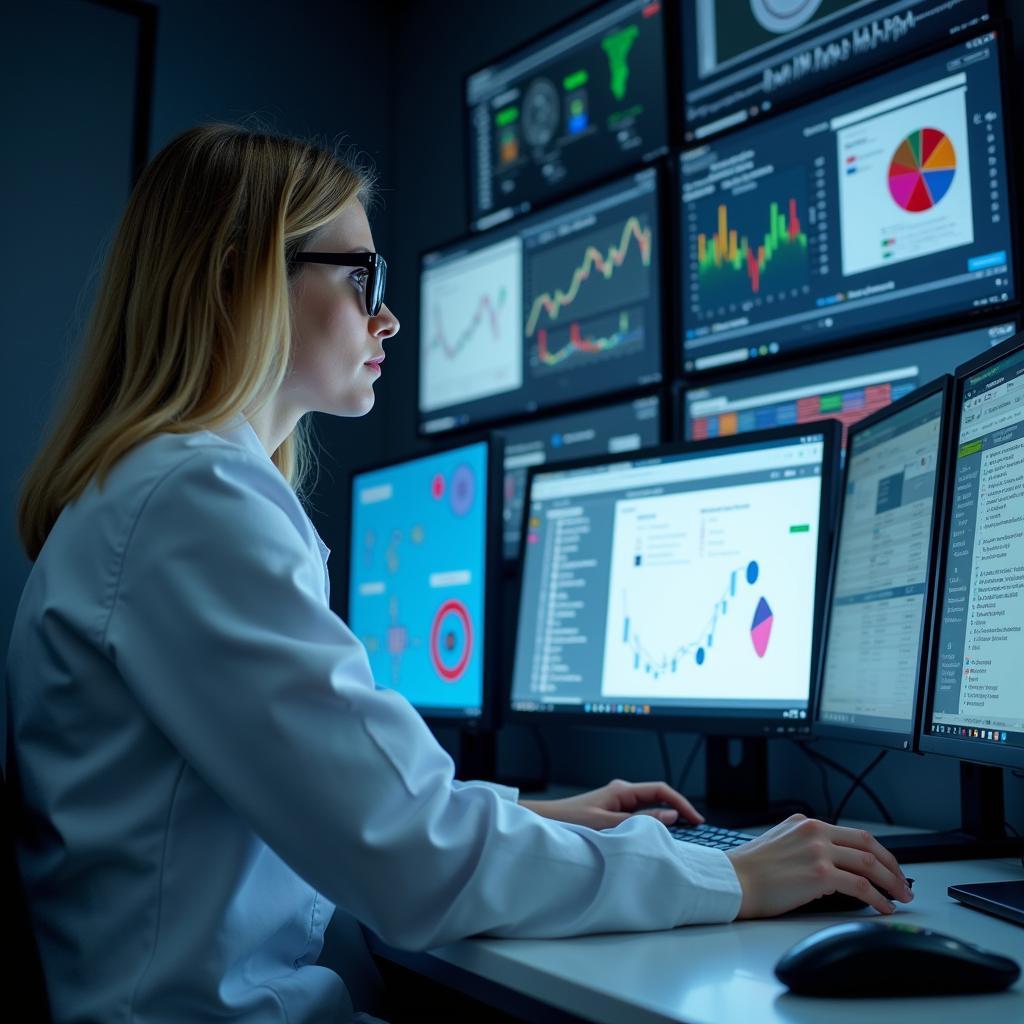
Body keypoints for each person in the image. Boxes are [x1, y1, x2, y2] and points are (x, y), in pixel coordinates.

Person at [5, 125, 912, 1024]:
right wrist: (733, 875)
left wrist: (532, 817)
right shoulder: (195, 502)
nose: (387, 316)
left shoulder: (156, 489)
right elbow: (411, 858)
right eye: (363, 278)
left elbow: (351, 806)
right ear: (239, 278)